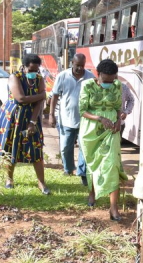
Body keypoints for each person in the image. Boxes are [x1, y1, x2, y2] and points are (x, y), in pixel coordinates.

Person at [0, 54, 50, 195]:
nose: (34, 73)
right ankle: (9, 179)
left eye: (36, 70)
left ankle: (41, 182)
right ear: (23, 67)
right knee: (11, 147)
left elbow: (39, 102)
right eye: (31, 70)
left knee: (36, 148)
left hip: (32, 116)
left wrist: (33, 122)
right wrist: (40, 95)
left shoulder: (39, 78)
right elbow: (21, 98)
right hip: (13, 117)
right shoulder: (14, 77)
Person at [79, 59, 127, 220]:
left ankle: (114, 208)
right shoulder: (87, 85)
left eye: (112, 80)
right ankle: (92, 192)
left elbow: (118, 106)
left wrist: (119, 121)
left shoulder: (117, 85)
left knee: (112, 164)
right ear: (98, 75)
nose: (109, 83)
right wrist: (99, 118)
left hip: (111, 129)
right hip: (91, 130)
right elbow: (82, 110)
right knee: (94, 163)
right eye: (106, 80)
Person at [49, 54, 95, 185]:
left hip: (85, 120)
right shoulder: (63, 76)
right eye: (77, 65)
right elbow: (55, 96)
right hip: (66, 119)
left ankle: (82, 174)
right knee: (65, 147)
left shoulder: (90, 77)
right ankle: (68, 169)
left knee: (84, 147)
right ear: (72, 63)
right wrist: (52, 115)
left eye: (82, 65)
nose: (80, 68)